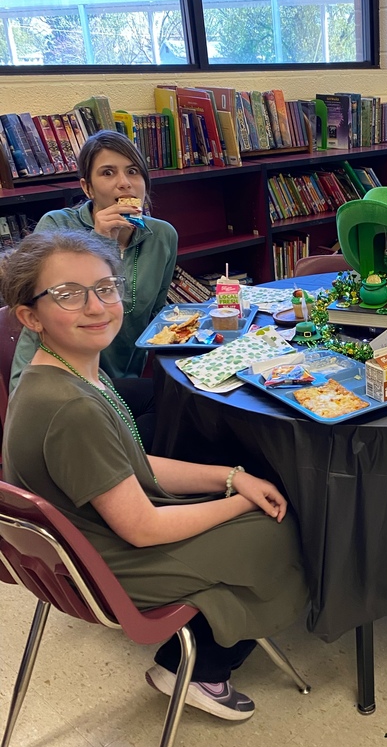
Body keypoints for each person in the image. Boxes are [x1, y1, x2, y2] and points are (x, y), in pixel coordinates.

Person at [1, 230, 308, 721]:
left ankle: (202, 648)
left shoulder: (64, 370)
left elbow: (133, 462)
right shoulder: (70, 409)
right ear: (30, 316)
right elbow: (142, 529)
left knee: (252, 492)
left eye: (105, 287)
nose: (96, 306)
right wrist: (240, 501)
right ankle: (204, 669)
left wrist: (233, 478)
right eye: (68, 294)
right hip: (104, 567)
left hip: (81, 548)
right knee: (285, 530)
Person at [10, 130, 178, 446]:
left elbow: (158, 317)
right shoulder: (56, 226)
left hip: (115, 380)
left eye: (133, 171)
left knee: (181, 410)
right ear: (87, 187)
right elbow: (69, 302)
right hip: (57, 378)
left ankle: (149, 482)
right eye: (107, 173)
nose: (124, 183)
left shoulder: (163, 236)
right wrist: (102, 239)